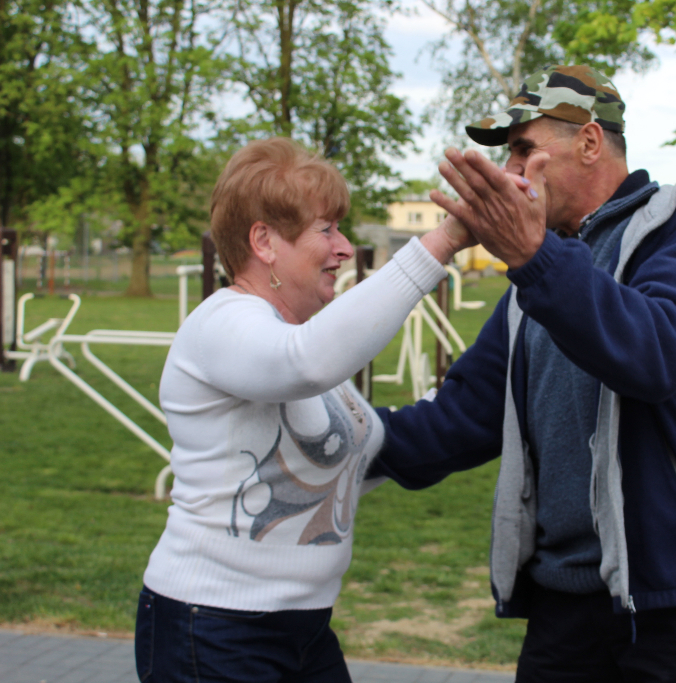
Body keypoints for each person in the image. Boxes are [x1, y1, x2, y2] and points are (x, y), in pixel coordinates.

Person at [372, 66, 676, 682]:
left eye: (523, 149)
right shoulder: (538, 276)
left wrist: (535, 258)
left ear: (589, 141)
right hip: (565, 605)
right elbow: (466, 415)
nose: (509, 172)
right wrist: (344, 438)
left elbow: (657, 354)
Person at [135, 138, 472, 683]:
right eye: (327, 229)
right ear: (264, 241)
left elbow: (364, 450)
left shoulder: (294, 344)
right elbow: (307, 363)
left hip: (303, 630)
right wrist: (444, 240)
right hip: (211, 629)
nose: (344, 248)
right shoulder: (222, 324)